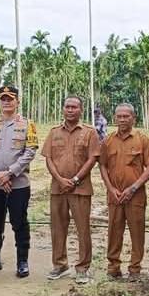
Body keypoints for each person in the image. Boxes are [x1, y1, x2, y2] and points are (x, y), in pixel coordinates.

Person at [0, 86, 38, 278]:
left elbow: (30, 151)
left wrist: (9, 173)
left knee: (19, 222)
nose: (6, 102)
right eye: (3, 99)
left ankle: (22, 262)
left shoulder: (28, 124)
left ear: (17, 101)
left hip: (18, 184)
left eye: (10, 98)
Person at [41, 96, 101, 284]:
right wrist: (59, 179)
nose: (70, 110)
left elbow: (93, 159)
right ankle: (60, 265)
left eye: (74, 107)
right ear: (63, 109)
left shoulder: (89, 133)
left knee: (83, 229)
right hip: (57, 189)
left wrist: (75, 179)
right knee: (58, 228)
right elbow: (48, 158)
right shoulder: (53, 132)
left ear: (81, 110)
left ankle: (82, 268)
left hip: (80, 189)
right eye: (67, 107)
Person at [99, 103, 149, 281]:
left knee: (137, 232)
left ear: (133, 118)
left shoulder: (143, 140)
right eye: (119, 116)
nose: (122, 119)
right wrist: (110, 188)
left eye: (126, 116)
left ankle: (135, 269)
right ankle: (113, 267)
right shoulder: (108, 140)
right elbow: (102, 165)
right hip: (114, 195)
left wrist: (133, 188)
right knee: (114, 230)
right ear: (114, 118)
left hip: (135, 196)